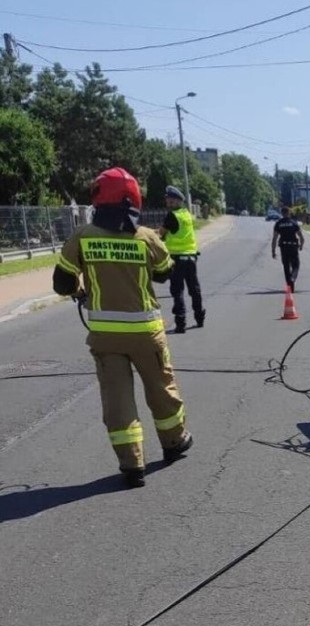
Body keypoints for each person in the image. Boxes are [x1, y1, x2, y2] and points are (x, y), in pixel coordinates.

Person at [52, 168, 193, 488]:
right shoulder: (145, 237)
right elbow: (165, 273)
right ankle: (174, 442)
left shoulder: (82, 237)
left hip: (106, 337)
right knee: (161, 388)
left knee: (117, 400)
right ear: (134, 201)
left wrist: (80, 291)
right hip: (146, 332)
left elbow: (62, 283)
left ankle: (132, 465)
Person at [160, 185, 205, 334]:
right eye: (168, 201)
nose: (169, 204)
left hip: (177, 258)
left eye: (171, 201)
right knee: (194, 289)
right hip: (191, 257)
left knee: (177, 290)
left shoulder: (171, 216)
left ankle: (181, 322)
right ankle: (200, 318)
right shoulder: (187, 214)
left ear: (179, 201)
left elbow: (162, 233)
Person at [272, 206, 305, 292]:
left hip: (284, 247)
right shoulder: (294, 223)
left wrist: (273, 251)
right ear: (289, 213)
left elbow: (274, 238)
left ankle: (289, 287)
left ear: (282, 213)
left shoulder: (278, 223)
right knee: (296, 265)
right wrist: (301, 246)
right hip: (293, 246)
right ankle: (293, 277)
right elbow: (301, 236)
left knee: (286, 267)